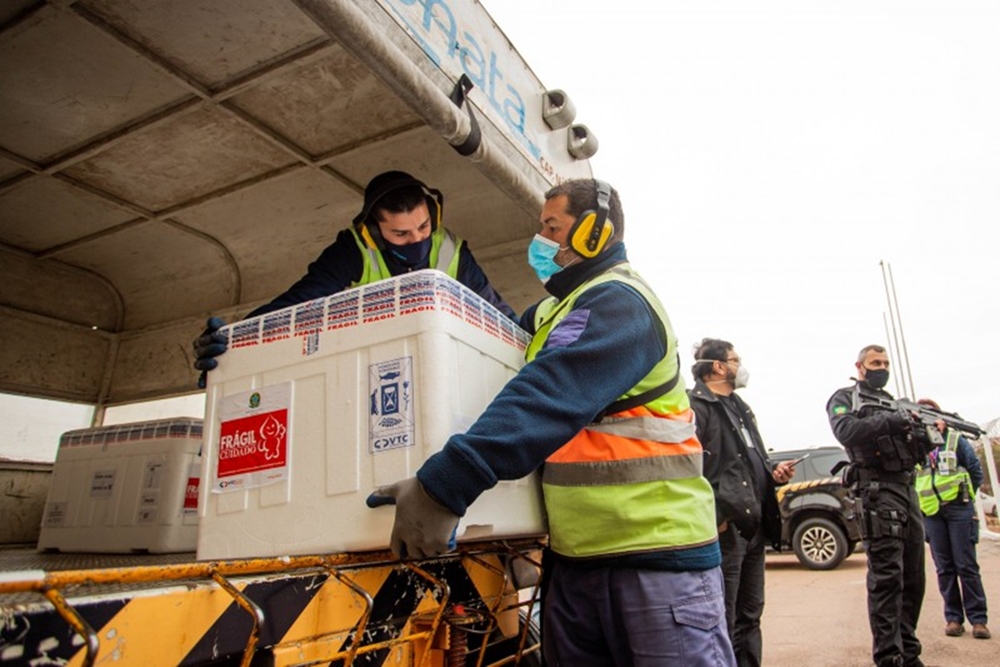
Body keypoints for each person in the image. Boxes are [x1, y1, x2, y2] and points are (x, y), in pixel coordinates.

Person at [368, 178, 735, 665]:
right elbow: (482, 335)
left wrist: (447, 483)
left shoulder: (621, 303)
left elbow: (549, 393)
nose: (540, 241)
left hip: (655, 560)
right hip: (575, 562)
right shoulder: (554, 313)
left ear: (592, 235)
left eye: (552, 227)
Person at [193, 170, 515, 383]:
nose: (417, 240)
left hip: (436, 370)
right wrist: (232, 343)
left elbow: (499, 314)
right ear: (374, 231)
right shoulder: (352, 251)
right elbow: (295, 305)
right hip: (368, 374)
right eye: (401, 234)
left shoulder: (451, 251)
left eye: (423, 227)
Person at [688, 338, 795, 667]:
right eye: (735, 359)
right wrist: (717, 516)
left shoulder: (741, 407)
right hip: (727, 528)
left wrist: (772, 472)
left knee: (751, 614)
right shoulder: (697, 407)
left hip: (754, 524)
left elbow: (748, 461)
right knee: (725, 615)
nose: (740, 366)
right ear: (718, 366)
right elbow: (691, 469)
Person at [827, 344, 927, 667]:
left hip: (907, 492)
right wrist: (891, 421)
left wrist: (923, 432)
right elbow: (847, 431)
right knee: (888, 579)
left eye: (885, 362)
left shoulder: (897, 403)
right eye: (875, 362)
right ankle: (889, 656)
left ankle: (908, 651)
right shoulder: (844, 398)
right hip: (876, 493)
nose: (881, 367)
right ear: (860, 366)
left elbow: (918, 454)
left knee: (914, 578)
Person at [914, 397, 990, 640]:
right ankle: (953, 618)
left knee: (966, 565)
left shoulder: (955, 440)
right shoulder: (915, 445)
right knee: (944, 568)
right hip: (931, 512)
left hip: (958, 509)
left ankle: (978, 620)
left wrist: (964, 496)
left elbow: (975, 472)